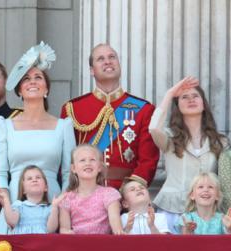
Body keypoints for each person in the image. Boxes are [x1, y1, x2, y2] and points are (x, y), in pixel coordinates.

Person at [0, 41, 75, 234]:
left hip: (52, 207)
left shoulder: (64, 125)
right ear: (20, 90)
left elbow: (69, 174)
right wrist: (8, 205)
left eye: (38, 77)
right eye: (26, 78)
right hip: (14, 206)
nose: (32, 81)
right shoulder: (5, 125)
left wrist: (60, 206)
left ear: (46, 89)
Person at [60, 43, 159, 190]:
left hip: (125, 195)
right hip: (85, 194)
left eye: (112, 57)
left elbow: (148, 160)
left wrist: (130, 192)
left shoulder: (143, 109)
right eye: (100, 59)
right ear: (92, 70)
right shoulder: (73, 109)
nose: (108, 61)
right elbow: (65, 160)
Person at [149, 76, 228, 234]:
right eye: (184, 97)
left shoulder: (221, 141)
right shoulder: (169, 137)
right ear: (177, 106)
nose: (191, 100)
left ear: (203, 104)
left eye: (195, 96)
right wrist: (170, 94)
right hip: (171, 210)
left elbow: (225, 179)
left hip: (206, 214)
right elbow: (153, 128)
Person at [59, 144, 123, 234]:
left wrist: (119, 232)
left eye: (92, 160)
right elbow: (64, 229)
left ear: (99, 167)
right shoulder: (66, 198)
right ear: (73, 168)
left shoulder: (109, 194)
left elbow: (117, 228)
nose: (87, 163)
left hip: (103, 244)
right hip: (77, 244)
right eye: (82, 160)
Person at [0, 165, 64, 234]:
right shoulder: (19, 205)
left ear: (46, 187)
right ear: (23, 189)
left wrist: (54, 207)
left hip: (43, 244)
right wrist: (6, 199)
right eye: (29, 178)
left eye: (38, 177)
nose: (34, 180)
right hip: (22, 243)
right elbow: (11, 221)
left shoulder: (49, 208)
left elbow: (51, 230)